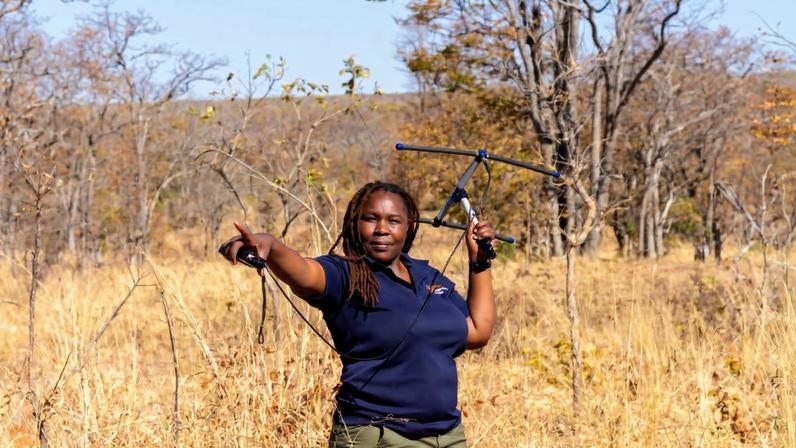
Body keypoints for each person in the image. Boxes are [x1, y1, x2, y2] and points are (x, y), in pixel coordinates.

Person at [219, 181, 496, 447]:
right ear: (355, 223)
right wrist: (271, 246)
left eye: (393, 221)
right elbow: (304, 272)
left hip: (447, 435)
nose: (381, 229)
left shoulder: (428, 276)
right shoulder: (346, 275)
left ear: (409, 226)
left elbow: (477, 331)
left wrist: (479, 261)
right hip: (380, 435)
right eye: (371, 219)